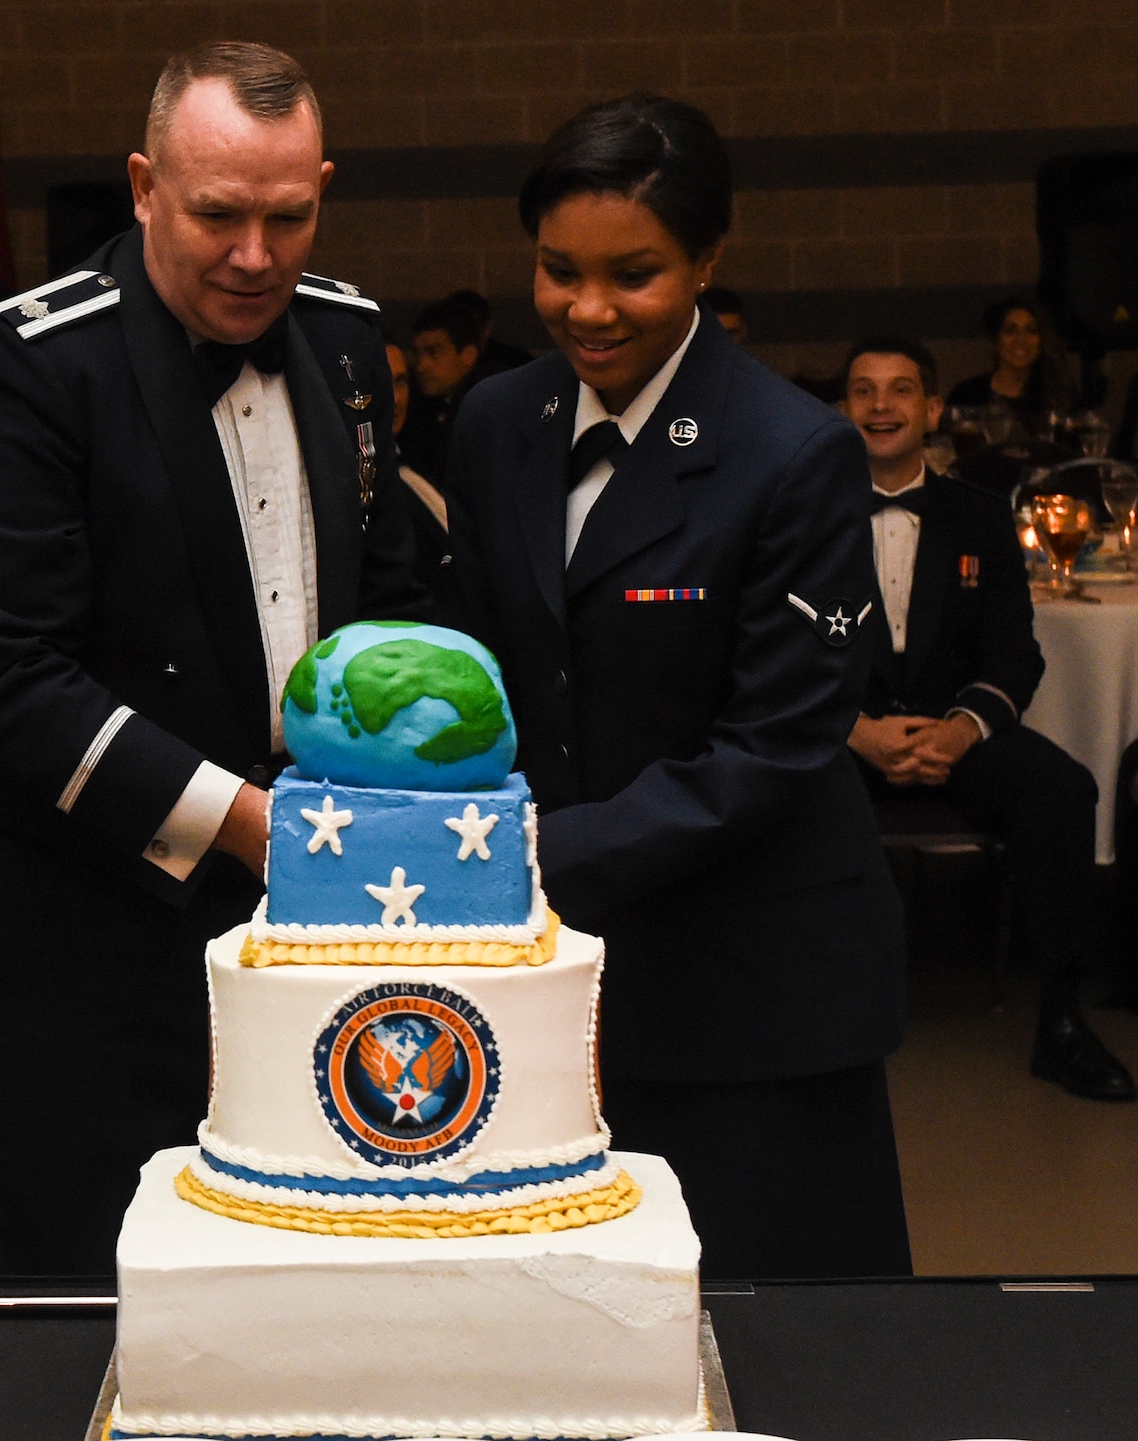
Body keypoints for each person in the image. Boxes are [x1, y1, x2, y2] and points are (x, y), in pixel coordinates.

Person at [0, 41, 422, 1275]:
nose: (255, 257)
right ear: (144, 187)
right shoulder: (31, 365)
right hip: (82, 907)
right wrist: (248, 822)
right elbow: (2, 679)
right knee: (92, 1271)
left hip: (307, 893)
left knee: (307, 1255)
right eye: (216, 216)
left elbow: (387, 586)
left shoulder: (348, 340)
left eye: (287, 216)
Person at [441, 93, 911, 1279]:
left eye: (632, 274)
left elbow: (773, 745)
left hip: (746, 981)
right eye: (557, 271)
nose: (586, 310)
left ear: (706, 260)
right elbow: (475, 661)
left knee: (771, 1327)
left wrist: (524, 853)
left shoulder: (791, 449)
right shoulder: (499, 420)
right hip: (548, 980)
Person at [840, 337, 1133, 1102]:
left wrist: (960, 730)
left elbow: (1015, 656)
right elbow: (775, 650)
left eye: (899, 390)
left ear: (931, 409)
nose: (880, 405)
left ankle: (1062, 1022)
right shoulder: (803, 515)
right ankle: (797, 1019)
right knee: (763, 787)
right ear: (845, 410)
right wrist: (859, 731)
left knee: (1062, 790)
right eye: (864, 390)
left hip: (951, 734)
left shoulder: (977, 516)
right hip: (844, 737)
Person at [398, 290, 491, 482]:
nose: (422, 366)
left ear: (468, 356)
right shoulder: (420, 406)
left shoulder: (490, 409)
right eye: (418, 354)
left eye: (434, 353)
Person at [386, 339, 453, 598]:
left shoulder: (426, 454)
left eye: (400, 382)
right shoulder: (361, 484)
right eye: (381, 381)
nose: (394, 398)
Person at [945, 297, 1077, 424]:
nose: (1021, 340)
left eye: (1031, 331)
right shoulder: (966, 397)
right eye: (1010, 331)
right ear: (996, 340)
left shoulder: (1061, 396)